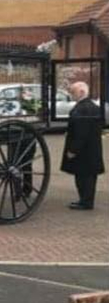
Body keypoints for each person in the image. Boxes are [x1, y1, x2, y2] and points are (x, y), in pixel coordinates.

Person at [61, 81, 105, 210]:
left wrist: (73, 150)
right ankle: (86, 200)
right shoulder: (94, 107)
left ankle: (85, 202)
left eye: (73, 92)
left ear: (81, 92)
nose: (71, 95)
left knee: (82, 177)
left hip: (82, 150)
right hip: (93, 149)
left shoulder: (81, 109)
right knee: (90, 177)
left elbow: (81, 132)